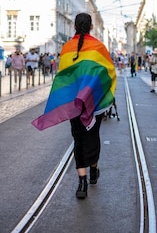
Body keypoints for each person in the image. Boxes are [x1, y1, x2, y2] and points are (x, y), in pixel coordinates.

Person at [32, 13, 116, 199]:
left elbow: (64, 75)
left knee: (78, 139)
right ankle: (93, 170)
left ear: (75, 26)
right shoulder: (99, 47)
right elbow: (109, 71)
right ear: (91, 26)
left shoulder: (67, 48)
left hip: (74, 103)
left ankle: (82, 182)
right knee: (93, 135)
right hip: (94, 102)